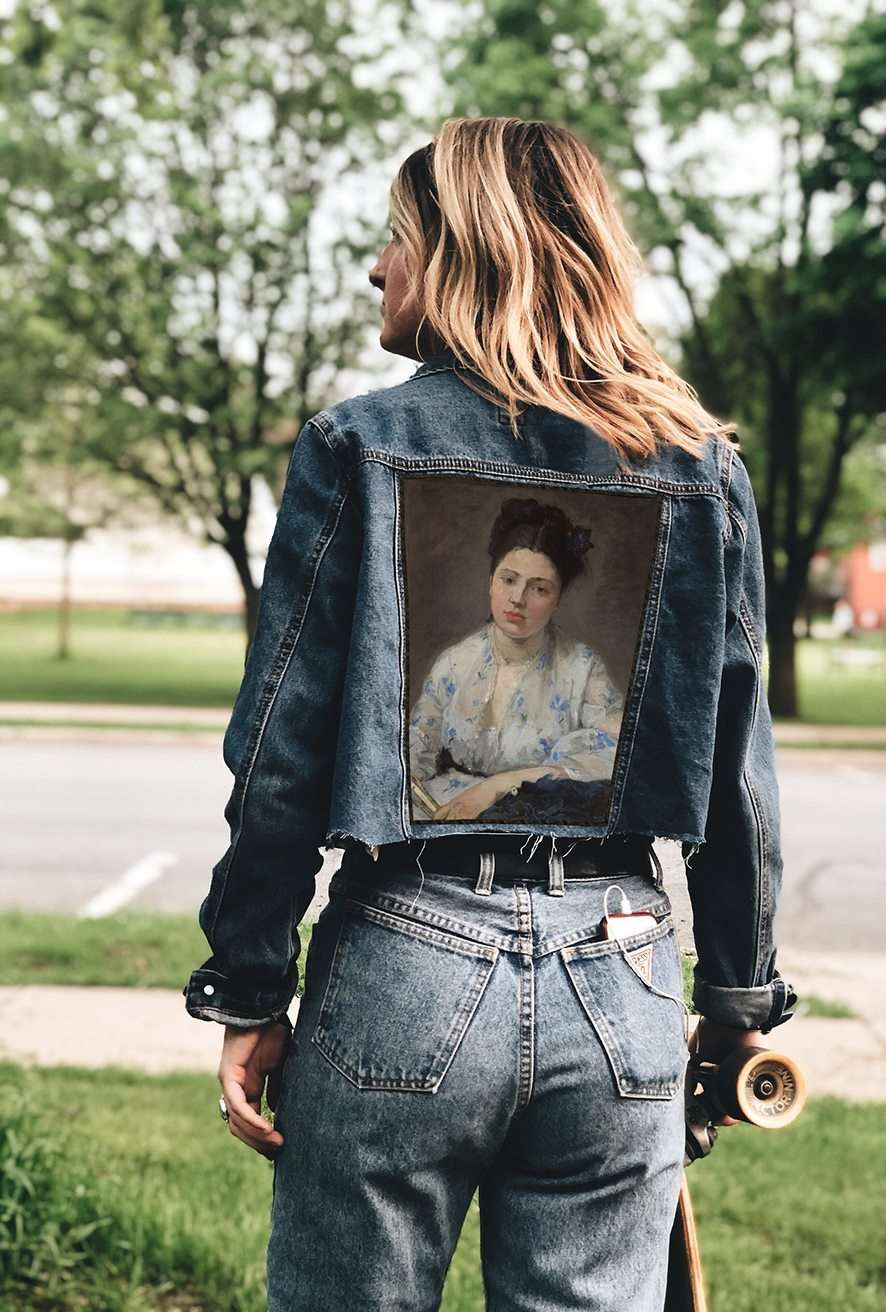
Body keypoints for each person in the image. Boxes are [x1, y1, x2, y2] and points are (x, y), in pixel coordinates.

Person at [184, 116, 797, 1312]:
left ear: (462, 251)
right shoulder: (699, 465)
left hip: (405, 959)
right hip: (621, 970)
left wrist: (251, 983)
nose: (376, 267)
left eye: (396, 238)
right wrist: (737, 1001)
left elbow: (279, 756)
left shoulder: (357, 447)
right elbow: (739, 780)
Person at [408, 495, 623, 825]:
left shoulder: (581, 668)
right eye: (508, 580)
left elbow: (618, 754)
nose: (518, 599)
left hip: (534, 823)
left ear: (557, 600)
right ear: (490, 582)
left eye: (539, 589)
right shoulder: (455, 663)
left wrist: (502, 784)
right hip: (445, 814)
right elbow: (418, 744)